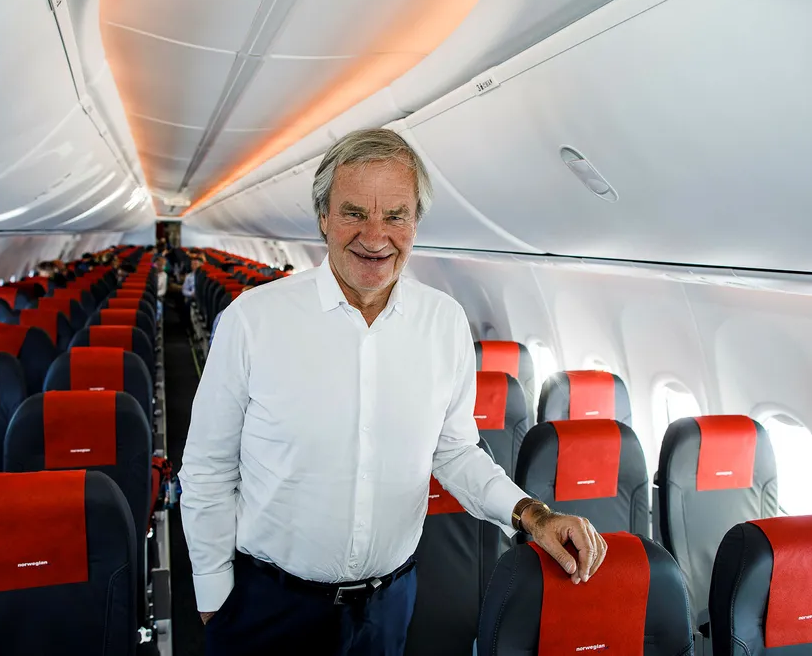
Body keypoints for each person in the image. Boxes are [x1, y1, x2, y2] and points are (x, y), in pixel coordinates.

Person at [180, 128, 607, 655]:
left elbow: (454, 452)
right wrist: (215, 595)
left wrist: (534, 517)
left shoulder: (444, 322)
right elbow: (207, 467)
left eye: (395, 216)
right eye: (354, 213)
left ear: (416, 222)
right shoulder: (253, 320)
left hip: (386, 608)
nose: (375, 236)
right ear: (324, 217)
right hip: (267, 604)